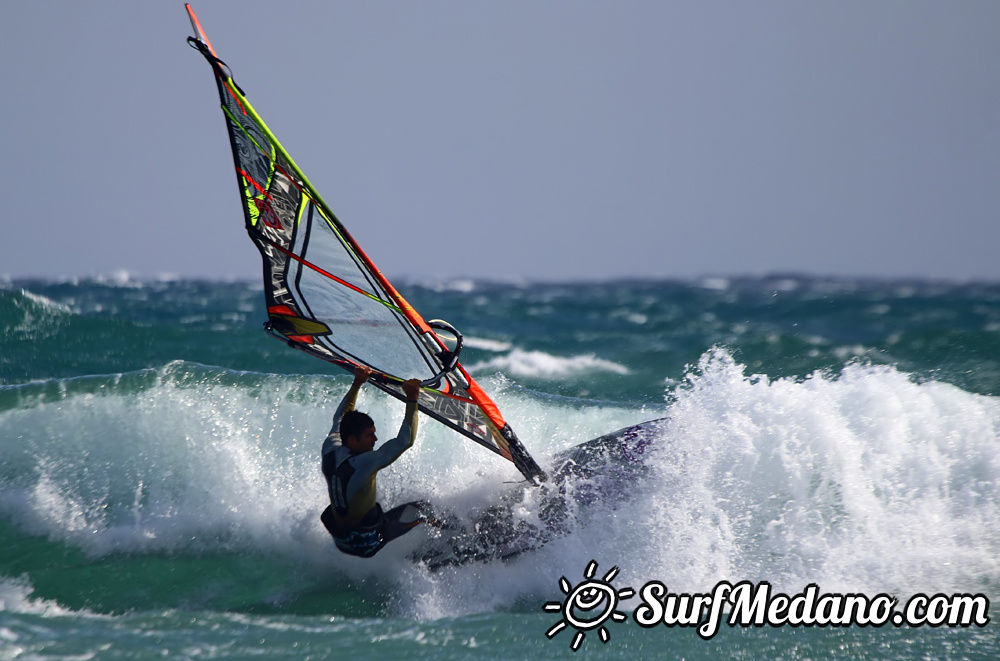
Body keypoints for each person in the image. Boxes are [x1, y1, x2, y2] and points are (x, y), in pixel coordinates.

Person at [319, 365, 427, 558]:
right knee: (428, 510)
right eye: (369, 436)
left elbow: (341, 419)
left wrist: (358, 382)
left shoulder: (331, 448)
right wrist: (412, 398)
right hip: (367, 541)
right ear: (352, 440)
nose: (375, 440)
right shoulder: (363, 463)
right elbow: (404, 441)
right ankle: (449, 549)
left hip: (342, 541)